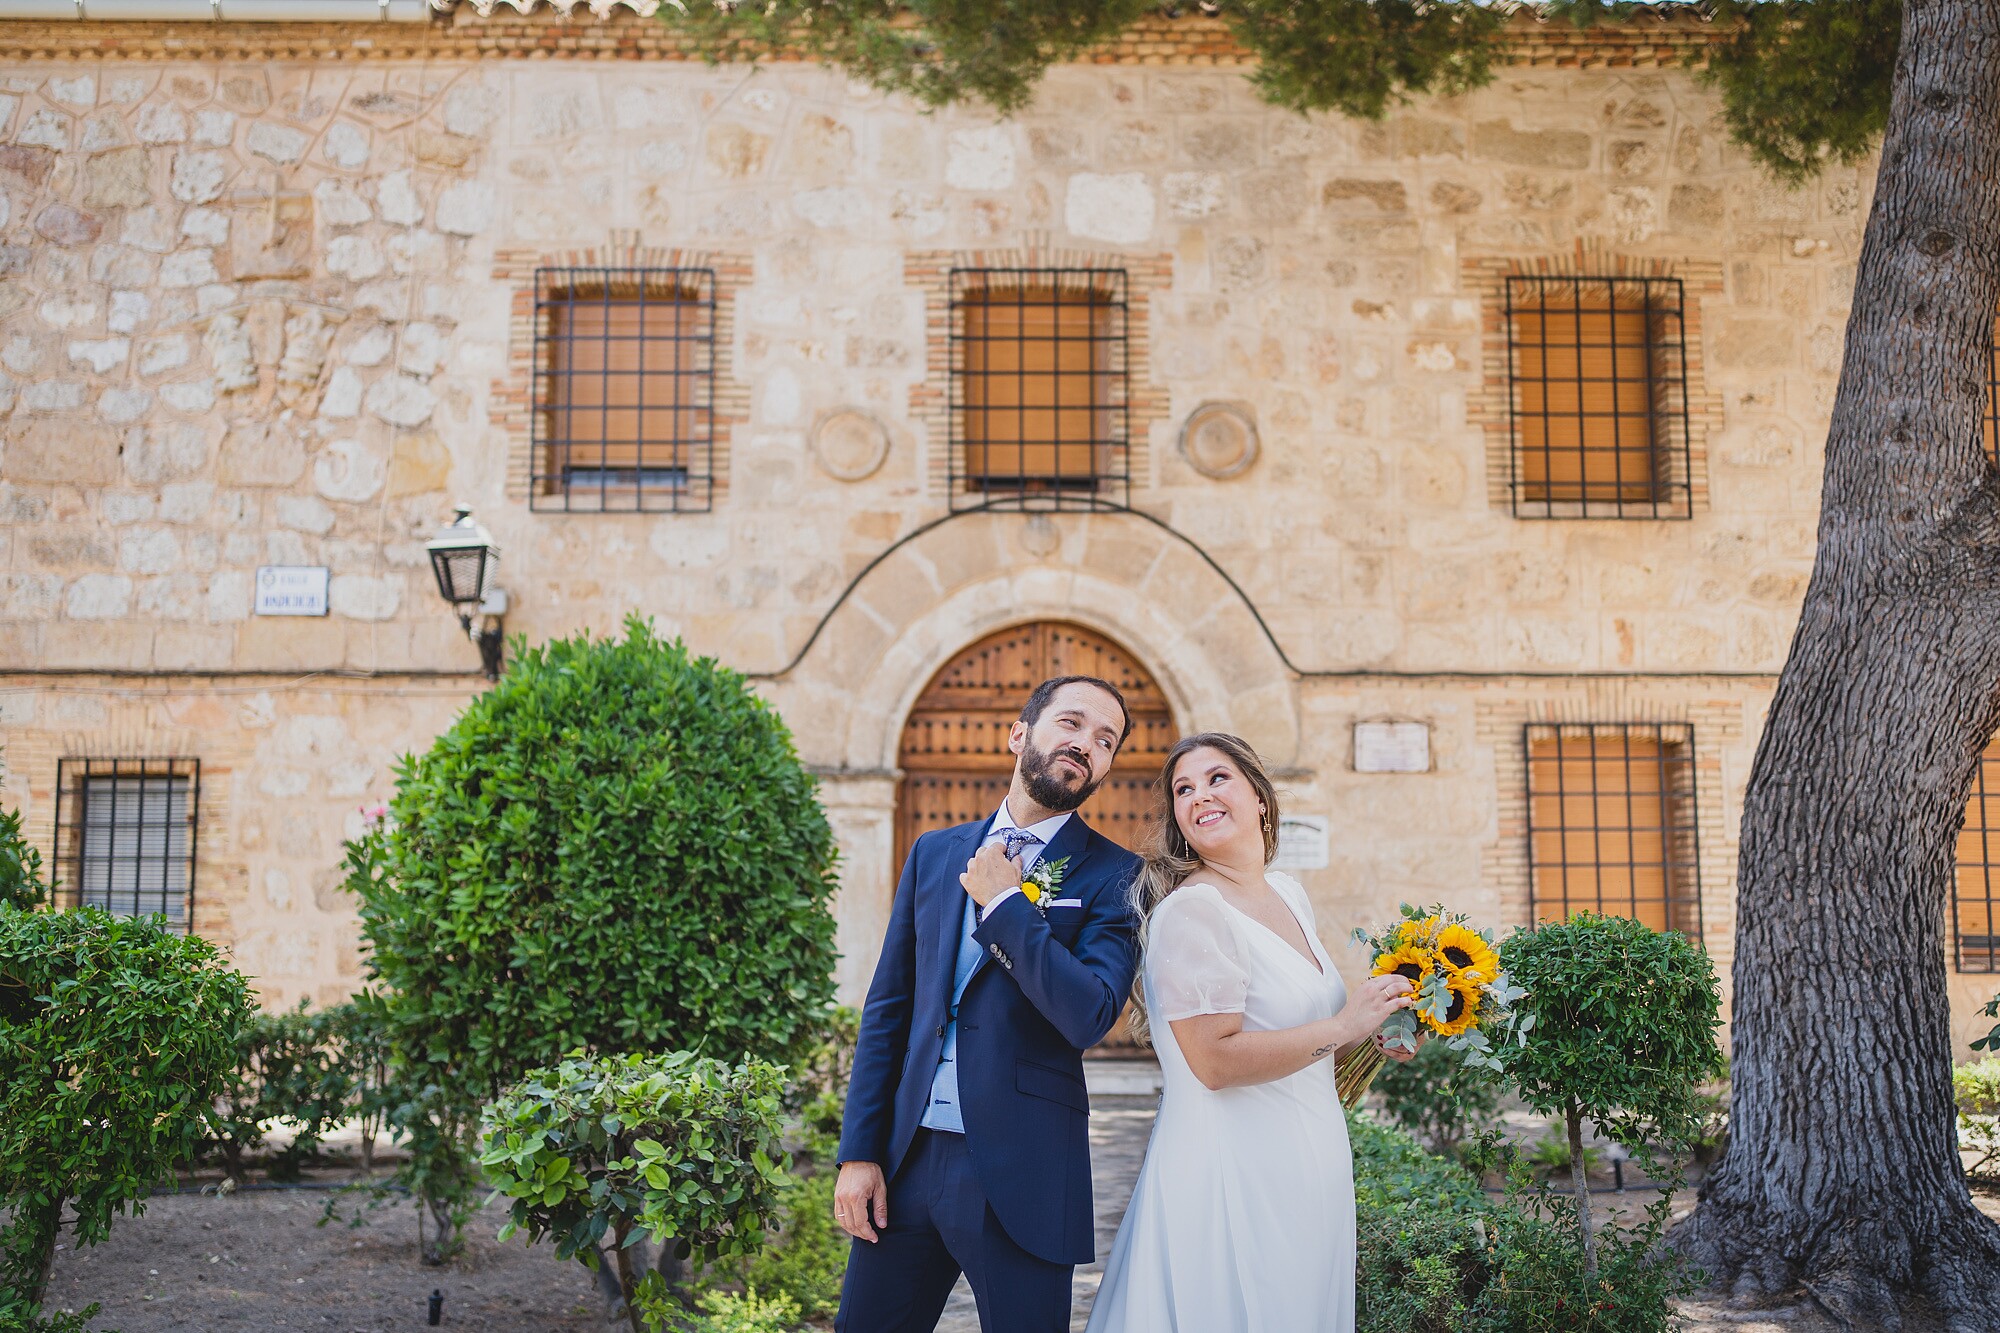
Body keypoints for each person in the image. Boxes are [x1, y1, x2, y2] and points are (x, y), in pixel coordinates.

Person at [833, 674, 1144, 1333]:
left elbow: (1088, 1012)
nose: (1086, 743)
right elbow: (888, 1007)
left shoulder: (1118, 876)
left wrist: (1005, 904)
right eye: (1072, 722)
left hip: (1024, 1170)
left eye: (1105, 739)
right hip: (906, 1160)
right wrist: (859, 1151)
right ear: (1019, 734)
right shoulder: (934, 851)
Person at [1085, 732, 1418, 1333]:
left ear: (1260, 798)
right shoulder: (1194, 912)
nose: (1199, 796)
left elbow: (1309, 1042)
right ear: (1179, 821)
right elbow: (1213, 1063)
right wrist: (1342, 1022)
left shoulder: (1288, 893)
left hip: (1310, 1162)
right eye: (1183, 789)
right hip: (1232, 1168)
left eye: (1217, 779)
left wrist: (1369, 1034)